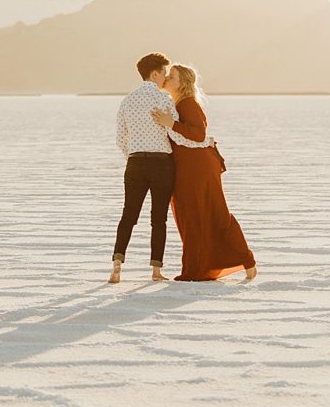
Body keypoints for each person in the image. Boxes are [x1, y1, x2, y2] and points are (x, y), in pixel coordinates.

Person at [152, 64, 257, 282]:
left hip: (197, 168)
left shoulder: (188, 104)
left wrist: (170, 123)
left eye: (172, 77)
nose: (167, 79)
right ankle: (200, 267)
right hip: (189, 166)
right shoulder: (177, 104)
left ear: (183, 83)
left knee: (204, 213)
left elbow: (198, 134)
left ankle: (235, 262)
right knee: (196, 214)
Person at [110, 52, 179, 284]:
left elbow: (121, 139)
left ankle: (117, 264)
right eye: (165, 74)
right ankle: (156, 270)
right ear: (155, 73)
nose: (166, 79)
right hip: (161, 164)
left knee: (128, 215)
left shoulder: (127, 101)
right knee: (158, 218)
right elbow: (175, 133)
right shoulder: (163, 99)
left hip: (135, 163)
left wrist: (133, 155)